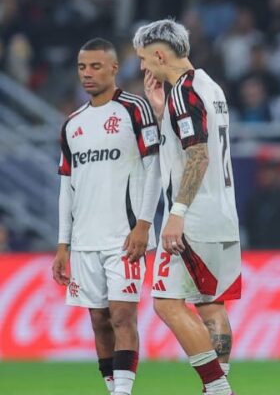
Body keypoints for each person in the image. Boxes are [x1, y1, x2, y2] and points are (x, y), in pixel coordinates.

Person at [134, 19, 240, 395]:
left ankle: (218, 389)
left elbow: (198, 156)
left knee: (166, 303)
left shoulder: (183, 91)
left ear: (160, 54)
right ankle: (217, 388)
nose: (143, 68)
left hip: (193, 216)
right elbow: (197, 143)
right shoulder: (209, 87)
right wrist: (163, 115)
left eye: (144, 59)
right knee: (211, 307)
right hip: (223, 214)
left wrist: (176, 214)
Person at [52, 37, 161, 395]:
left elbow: (154, 167)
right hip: (84, 240)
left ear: (114, 68)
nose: (87, 74)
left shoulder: (134, 109)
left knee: (122, 316)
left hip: (123, 236)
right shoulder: (72, 124)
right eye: (82, 67)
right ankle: (114, 388)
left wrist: (144, 224)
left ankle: (123, 392)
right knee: (99, 321)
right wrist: (63, 243)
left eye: (95, 66)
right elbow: (67, 188)